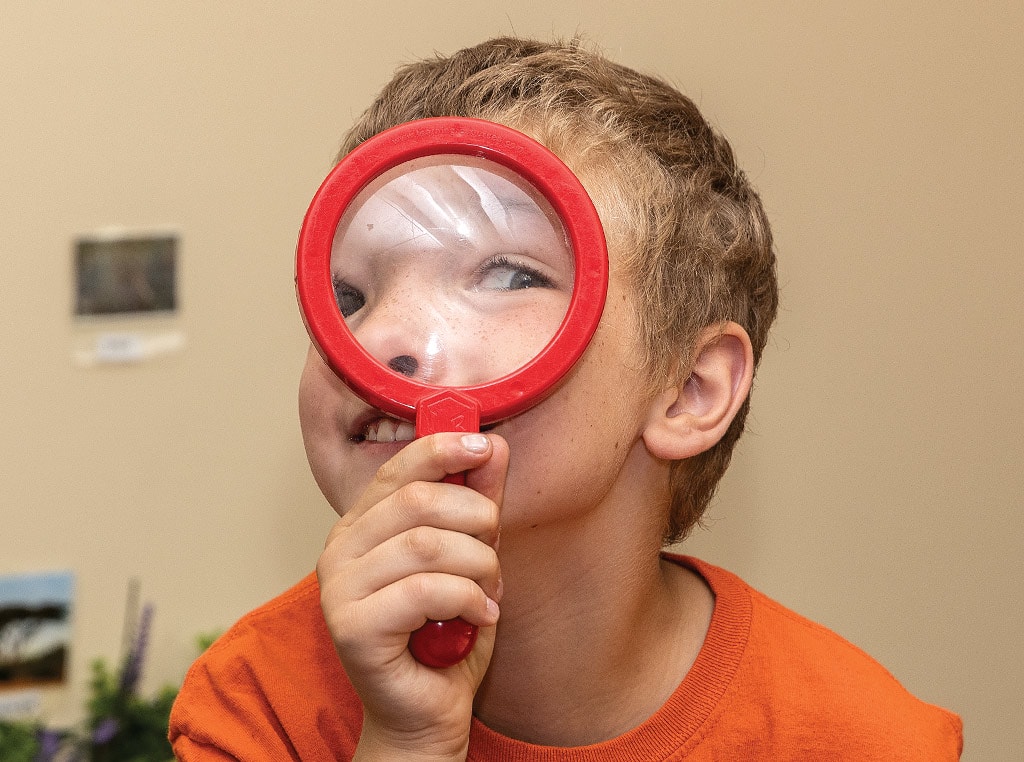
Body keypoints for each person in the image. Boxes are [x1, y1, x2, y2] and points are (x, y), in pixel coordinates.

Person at [168, 37, 963, 760]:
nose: (385, 337)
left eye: (512, 274)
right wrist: (404, 745)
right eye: (350, 295)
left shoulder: (862, 739)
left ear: (688, 390)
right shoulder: (255, 708)